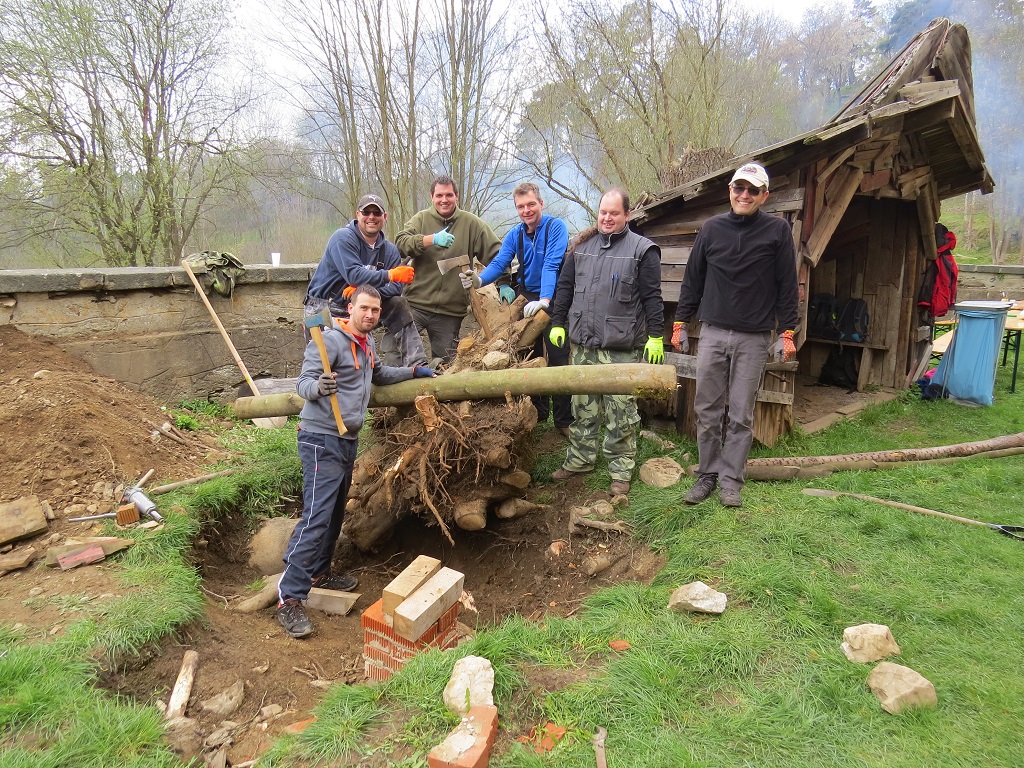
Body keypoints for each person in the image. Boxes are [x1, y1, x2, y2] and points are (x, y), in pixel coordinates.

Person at [277, 285, 435, 638]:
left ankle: (319, 572)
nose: (370, 315)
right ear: (350, 308)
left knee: (335, 513)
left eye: (375, 310)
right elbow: (303, 384)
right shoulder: (328, 341)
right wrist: (319, 386)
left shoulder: (367, 343)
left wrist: (413, 372)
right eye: (364, 308)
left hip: (347, 438)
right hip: (321, 439)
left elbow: (379, 375)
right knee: (316, 517)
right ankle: (289, 597)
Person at [673, 163, 798, 508]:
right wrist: (680, 322)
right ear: (730, 190)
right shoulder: (712, 229)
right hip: (713, 332)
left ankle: (731, 482)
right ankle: (707, 475)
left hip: (754, 337)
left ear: (764, 196)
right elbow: (692, 279)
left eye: (752, 190)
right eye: (739, 188)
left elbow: (788, 284)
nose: (745, 195)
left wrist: (787, 331)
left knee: (741, 414)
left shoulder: (777, 231)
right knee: (707, 409)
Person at [547, 188, 664, 496]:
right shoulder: (580, 247)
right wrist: (557, 322)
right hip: (584, 345)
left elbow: (652, 297)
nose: (607, 218)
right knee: (582, 408)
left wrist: (655, 336)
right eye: (603, 212)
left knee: (621, 413)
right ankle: (580, 459)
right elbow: (565, 288)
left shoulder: (642, 250)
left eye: (614, 213)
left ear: (627, 215)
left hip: (621, 348)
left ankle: (620, 470)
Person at [460, 182, 573, 435]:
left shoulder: (556, 227)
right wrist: (478, 280)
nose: (526, 210)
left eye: (531, 204)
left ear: (541, 203)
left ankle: (563, 420)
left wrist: (545, 300)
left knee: (558, 356)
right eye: (521, 206)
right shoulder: (515, 234)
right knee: (529, 356)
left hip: (554, 296)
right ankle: (538, 412)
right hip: (526, 297)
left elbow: (551, 265)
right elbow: (500, 262)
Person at [303, 194, 427, 366]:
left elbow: (396, 289)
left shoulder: (389, 251)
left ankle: (417, 365)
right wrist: (390, 275)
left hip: (361, 306)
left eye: (377, 213)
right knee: (326, 364)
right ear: (358, 215)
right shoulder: (342, 239)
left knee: (398, 304)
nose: (371, 217)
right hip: (326, 307)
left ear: (384, 217)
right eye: (366, 212)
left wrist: (363, 293)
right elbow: (354, 275)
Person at [396, 175, 504, 365]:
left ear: (457, 196)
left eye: (449, 195)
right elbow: (400, 243)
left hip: (450, 311)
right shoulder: (421, 219)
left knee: (446, 366)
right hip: (416, 305)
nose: (444, 200)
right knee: (398, 354)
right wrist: (430, 239)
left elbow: (499, 255)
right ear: (432, 197)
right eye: (439, 195)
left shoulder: (472, 224)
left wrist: (504, 283)